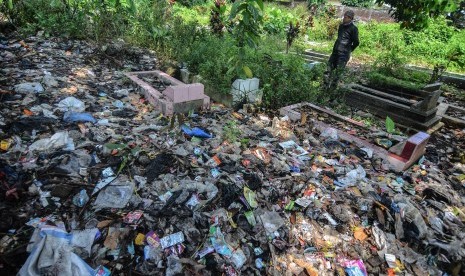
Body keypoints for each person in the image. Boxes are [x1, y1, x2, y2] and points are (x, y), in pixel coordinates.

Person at [324, 10, 359, 90]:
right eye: (344, 16)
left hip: (343, 55)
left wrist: (349, 50)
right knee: (328, 70)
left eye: (346, 17)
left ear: (350, 18)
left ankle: (332, 91)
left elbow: (356, 42)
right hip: (335, 52)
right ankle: (325, 88)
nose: (344, 18)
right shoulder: (341, 26)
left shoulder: (354, 29)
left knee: (337, 74)